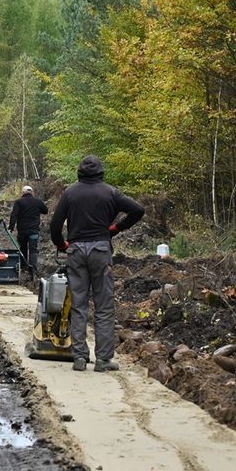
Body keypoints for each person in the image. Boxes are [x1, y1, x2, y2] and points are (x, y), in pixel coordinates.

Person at [49, 155, 144, 372]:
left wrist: (62, 245)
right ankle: (103, 360)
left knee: (79, 305)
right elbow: (138, 210)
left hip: (76, 251)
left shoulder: (70, 193)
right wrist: (117, 228)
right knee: (103, 306)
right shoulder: (110, 192)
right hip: (101, 250)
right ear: (101, 171)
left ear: (79, 172)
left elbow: (55, 225)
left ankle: (80, 358)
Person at [8, 184, 48, 278]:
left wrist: (11, 227)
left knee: (23, 248)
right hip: (34, 230)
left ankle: (24, 266)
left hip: (22, 230)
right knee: (33, 250)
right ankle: (33, 269)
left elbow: (14, 215)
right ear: (32, 192)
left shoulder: (19, 202)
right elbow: (45, 211)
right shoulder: (37, 201)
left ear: (23, 193)